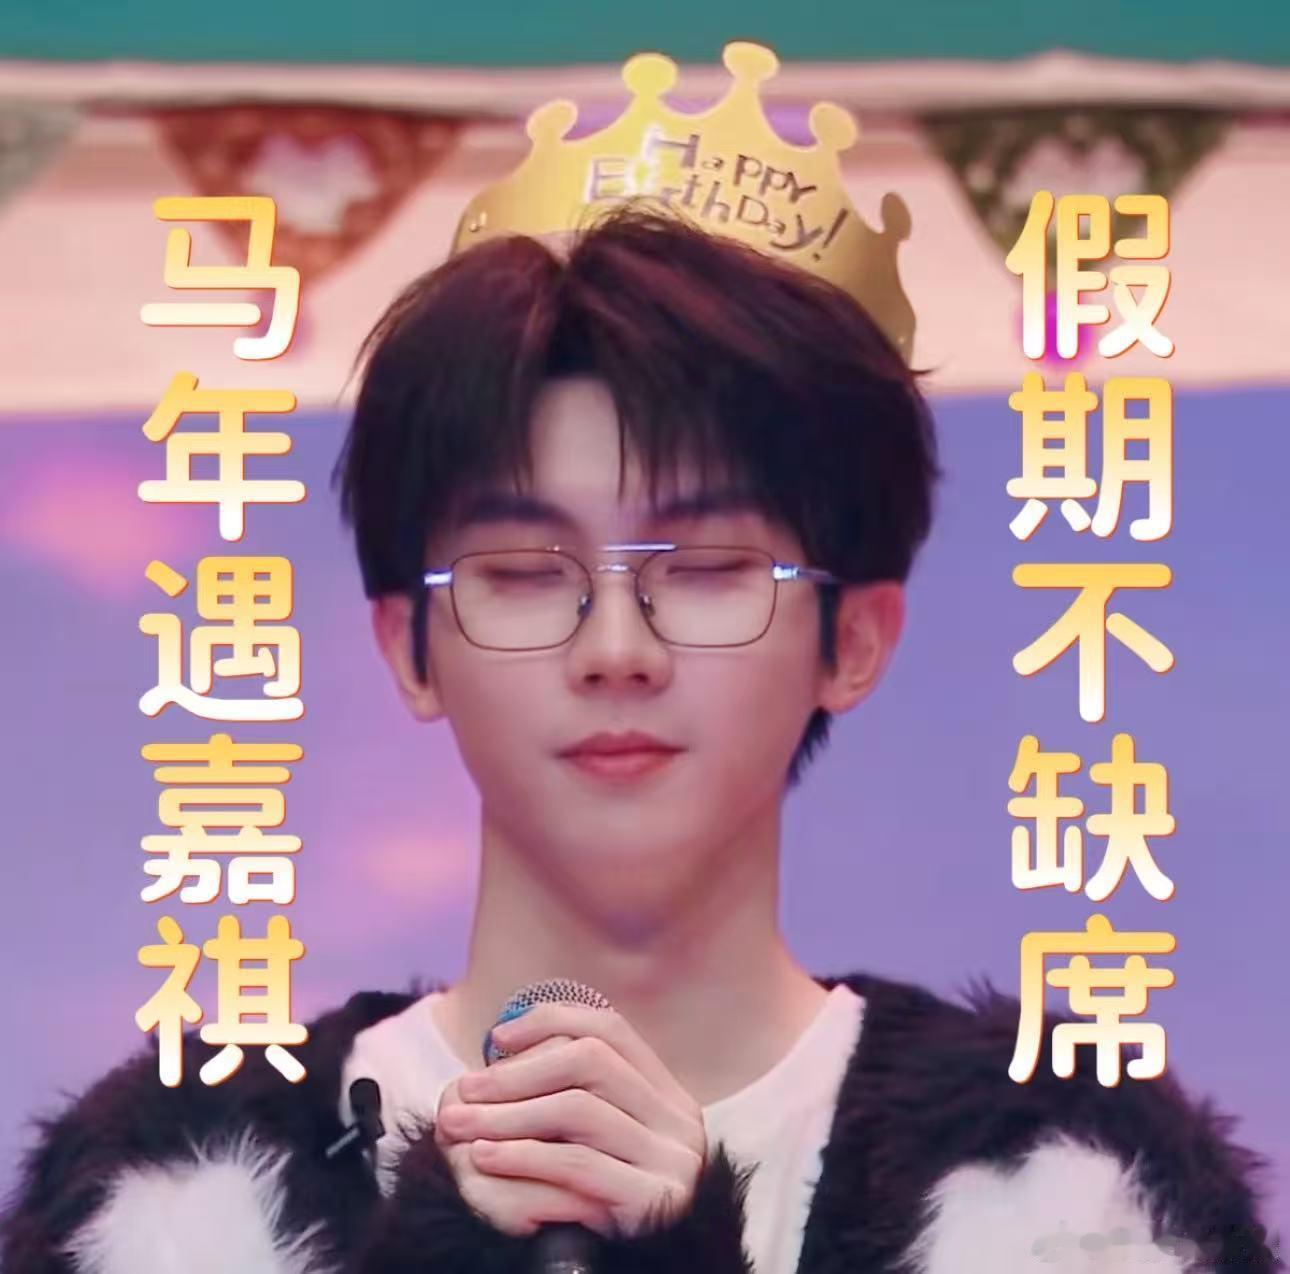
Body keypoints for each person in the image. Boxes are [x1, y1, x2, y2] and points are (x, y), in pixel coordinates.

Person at [2, 49, 1280, 1274]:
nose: (616, 648)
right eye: (523, 572)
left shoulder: (1069, 1188)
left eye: (709, 567)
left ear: (855, 636)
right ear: (410, 645)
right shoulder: (176, 1192)